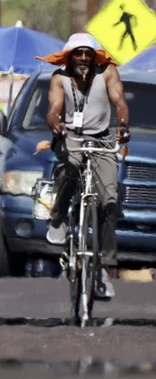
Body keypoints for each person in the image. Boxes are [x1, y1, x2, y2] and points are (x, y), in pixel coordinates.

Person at [36, 33, 131, 300]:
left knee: (110, 199)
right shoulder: (60, 78)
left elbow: (120, 103)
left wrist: (122, 125)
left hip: (102, 140)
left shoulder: (107, 73)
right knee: (71, 166)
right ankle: (57, 218)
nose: (84, 59)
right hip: (71, 137)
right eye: (78, 53)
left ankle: (102, 270)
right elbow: (54, 109)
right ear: (70, 56)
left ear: (94, 56)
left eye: (88, 54)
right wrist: (54, 122)